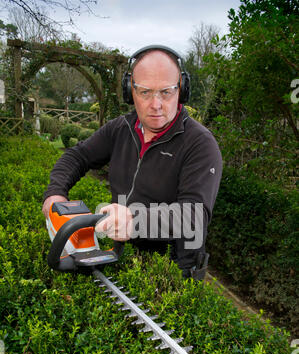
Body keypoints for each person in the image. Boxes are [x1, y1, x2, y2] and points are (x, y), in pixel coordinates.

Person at [42, 45, 222, 280]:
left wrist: (134, 220)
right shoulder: (120, 129)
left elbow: (194, 216)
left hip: (175, 269)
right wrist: (55, 193)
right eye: (145, 92)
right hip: (122, 255)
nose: (156, 104)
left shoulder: (200, 144)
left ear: (181, 90)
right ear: (130, 91)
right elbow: (77, 156)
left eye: (166, 92)